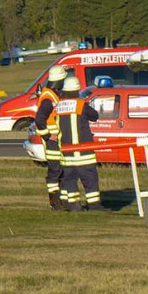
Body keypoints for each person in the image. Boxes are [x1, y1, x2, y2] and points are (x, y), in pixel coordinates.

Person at [55, 76, 104, 211]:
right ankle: (94, 206)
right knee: (90, 180)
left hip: (66, 154)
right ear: (77, 90)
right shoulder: (81, 105)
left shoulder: (58, 106)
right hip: (84, 153)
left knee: (69, 181)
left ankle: (73, 206)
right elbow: (94, 116)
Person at [33, 65, 68, 211]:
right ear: (59, 80)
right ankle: (55, 202)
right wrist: (47, 135)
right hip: (52, 142)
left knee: (60, 170)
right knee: (55, 171)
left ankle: (62, 201)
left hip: (56, 141)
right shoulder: (48, 98)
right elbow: (39, 119)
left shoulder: (52, 95)